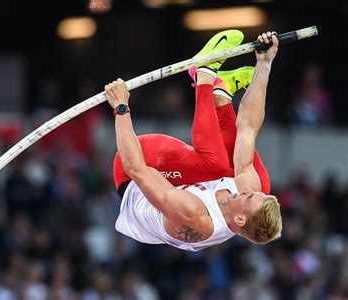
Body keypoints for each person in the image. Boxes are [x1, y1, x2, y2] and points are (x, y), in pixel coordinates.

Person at [105, 29, 282, 251]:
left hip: (135, 169)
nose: (246, 190)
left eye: (248, 198)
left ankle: (204, 76)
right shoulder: (249, 194)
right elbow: (247, 128)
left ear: (239, 220)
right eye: (251, 194)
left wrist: (121, 107)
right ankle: (221, 93)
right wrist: (264, 65)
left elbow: (135, 168)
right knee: (260, 180)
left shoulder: (195, 216)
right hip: (172, 180)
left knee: (215, 164)